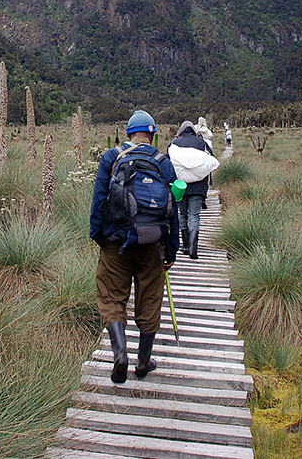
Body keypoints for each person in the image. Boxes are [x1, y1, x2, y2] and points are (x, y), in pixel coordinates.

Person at [90, 110, 180, 383]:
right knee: (150, 300)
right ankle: (143, 362)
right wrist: (171, 249)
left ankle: (120, 354)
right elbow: (173, 209)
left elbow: (99, 201)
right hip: (152, 244)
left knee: (112, 297)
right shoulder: (163, 162)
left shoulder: (111, 157)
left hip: (116, 243)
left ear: (128, 133)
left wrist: (101, 238)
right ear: (152, 135)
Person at [169, 121, 216, 259]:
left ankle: (185, 246)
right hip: (198, 187)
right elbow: (209, 162)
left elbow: (168, 163)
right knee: (194, 215)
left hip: (180, 187)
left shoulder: (175, 143)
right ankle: (193, 247)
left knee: (183, 215)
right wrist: (208, 183)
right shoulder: (202, 143)